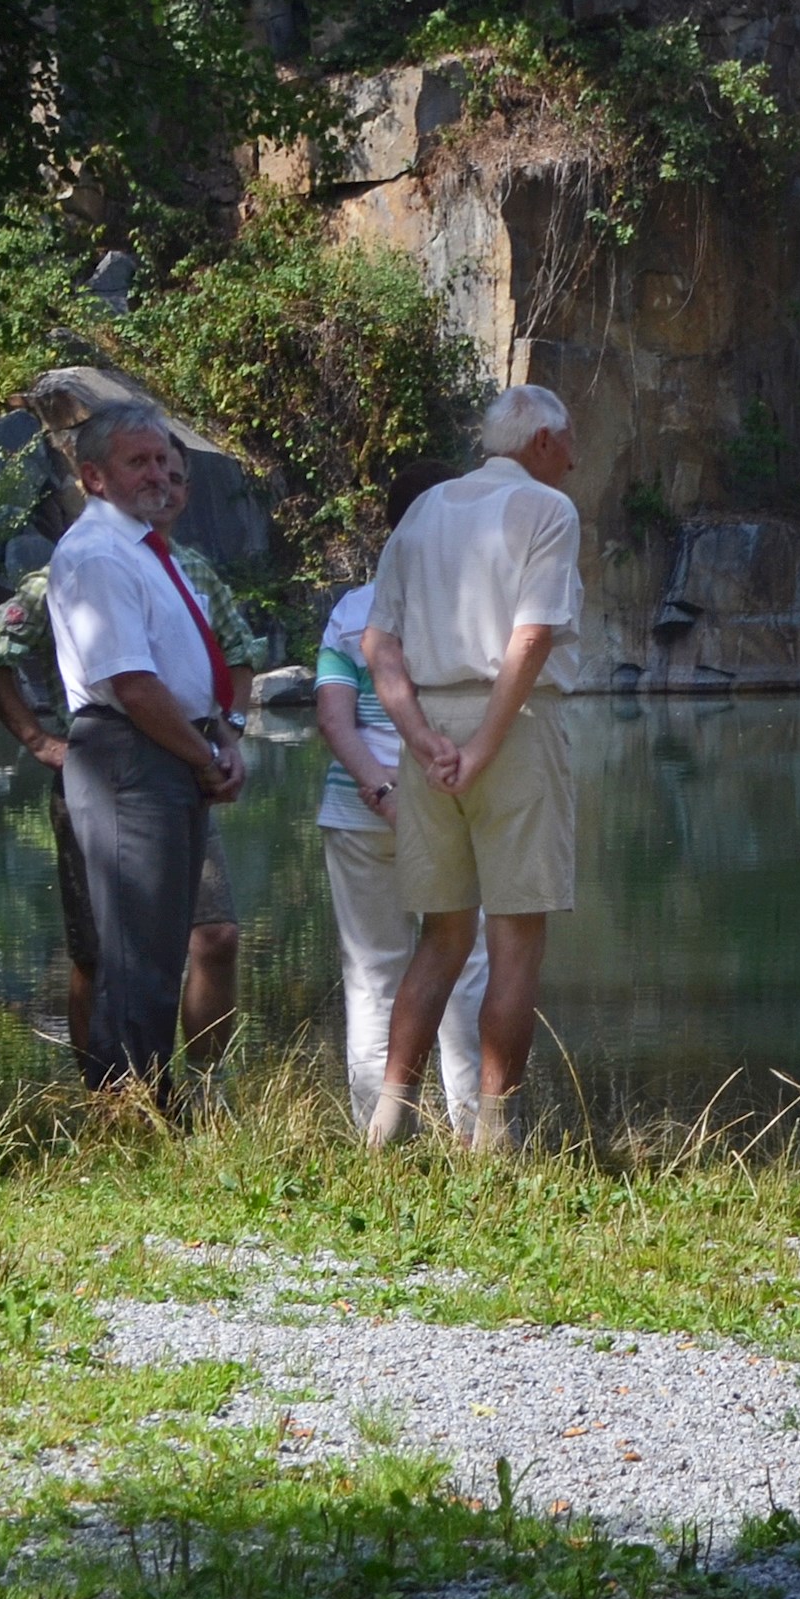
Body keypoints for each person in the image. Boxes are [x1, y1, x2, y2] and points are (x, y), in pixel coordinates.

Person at [0, 457, 266, 1083]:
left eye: (179, 478)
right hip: (109, 775)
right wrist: (38, 740)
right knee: (101, 953)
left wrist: (228, 735)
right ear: (98, 480)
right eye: (151, 472)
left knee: (215, 936)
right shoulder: (71, 573)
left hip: (191, 770)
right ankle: (110, 1096)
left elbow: (238, 657)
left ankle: (205, 1091)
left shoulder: (193, 569)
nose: (170, 489)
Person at [359, 385, 584, 1152]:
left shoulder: (423, 512)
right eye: (569, 443)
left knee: (442, 936)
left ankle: (386, 1123)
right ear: (543, 441)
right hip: (509, 727)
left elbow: (377, 646)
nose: (577, 459)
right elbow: (529, 640)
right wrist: (485, 745)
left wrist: (420, 737)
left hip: (429, 731)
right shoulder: (549, 511)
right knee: (517, 939)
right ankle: (494, 1137)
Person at [44, 403, 251, 1102]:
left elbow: (193, 665)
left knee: (161, 949)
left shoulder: (147, 550)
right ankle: (129, 1115)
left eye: (166, 459)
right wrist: (201, 757)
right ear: (94, 476)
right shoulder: (99, 554)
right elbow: (133, 684)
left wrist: (223, 737)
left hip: (169, 749)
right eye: (140, 462)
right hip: (129, 755)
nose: (160, 474)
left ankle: (151, 1109)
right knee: (137, 958)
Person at [311, 463, 490, 1139]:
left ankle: (383, 1135)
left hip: (360, 812)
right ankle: (475, 1133)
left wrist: (379, 790)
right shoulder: (476, 611)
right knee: (465, 973)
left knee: (373, 977)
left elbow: (334, 719)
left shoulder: (353, 609)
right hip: (449, 806)